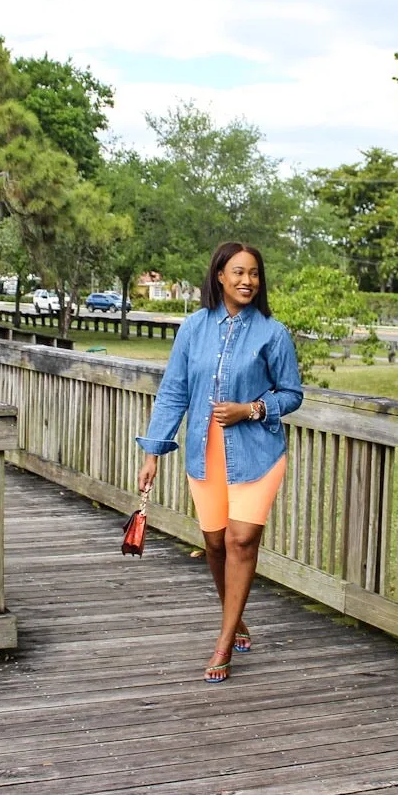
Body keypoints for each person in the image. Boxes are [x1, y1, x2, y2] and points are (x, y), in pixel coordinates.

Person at [136, 242, 304, 683]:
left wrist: (251, 409)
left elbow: (292, 394)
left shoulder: (273, 333)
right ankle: (237, 617)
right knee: (214, 545)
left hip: (257, 454)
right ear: (219, 277)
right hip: (204, 455)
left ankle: (223, 641)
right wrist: (154, 451)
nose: (247, 280)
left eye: (254, 274)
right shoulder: (193, 328)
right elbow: (174, 391)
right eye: (238, 272)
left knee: (242, 541)